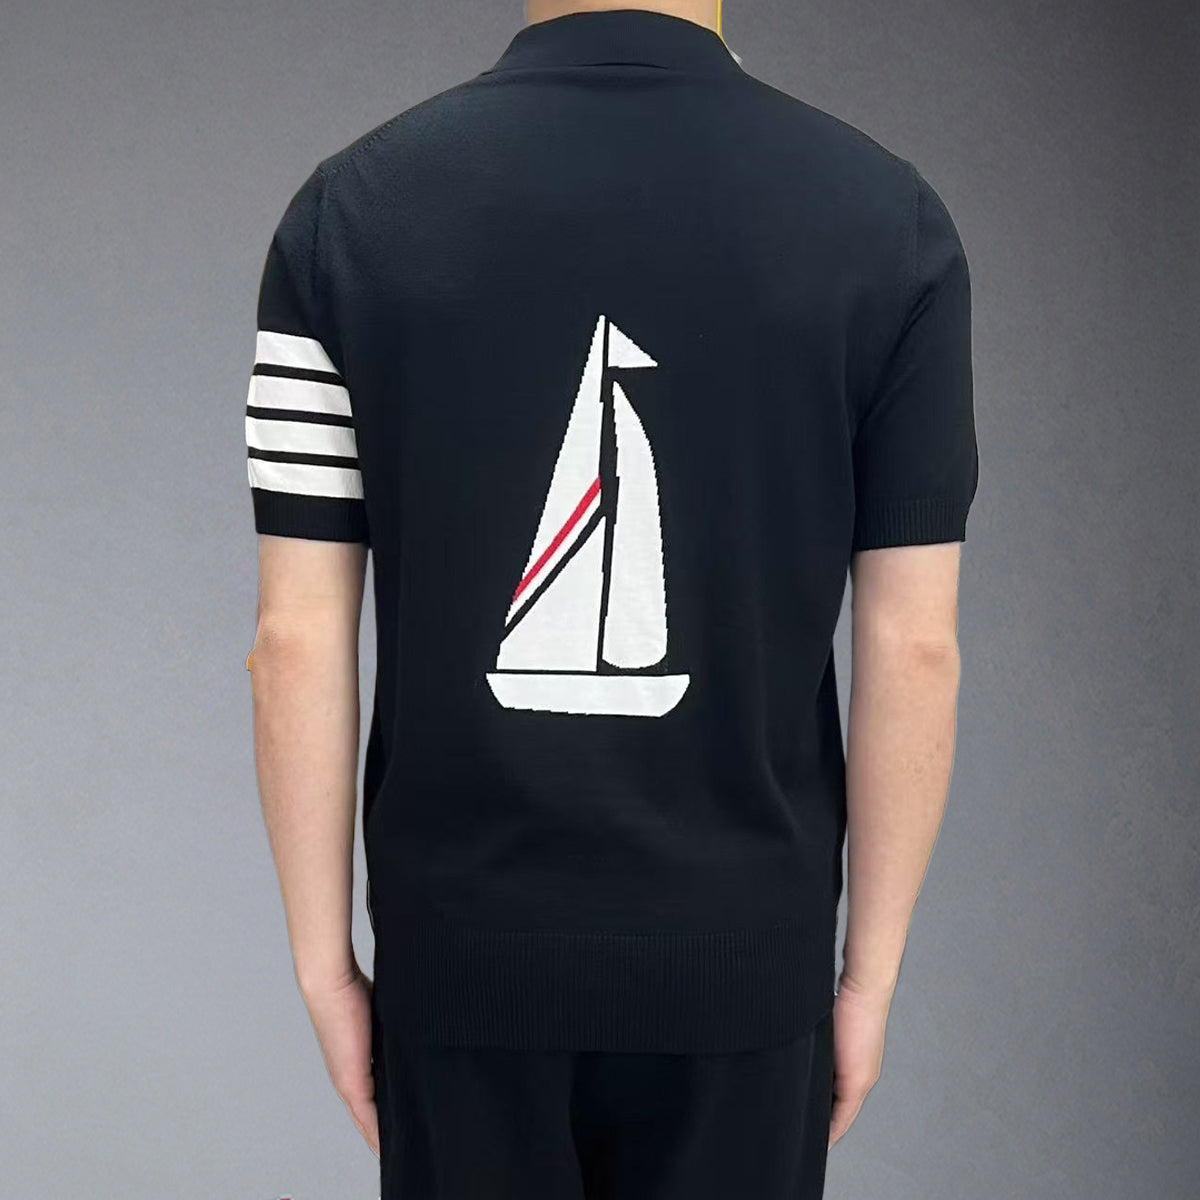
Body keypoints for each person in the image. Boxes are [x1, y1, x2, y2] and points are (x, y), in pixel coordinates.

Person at [243, 1, 979, 1196]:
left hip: (457, 968)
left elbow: (293, 637)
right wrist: (868, 976)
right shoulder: (890, 225)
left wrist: (326, 968)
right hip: (748, 976)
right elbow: (916, 647)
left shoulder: (347, 216)